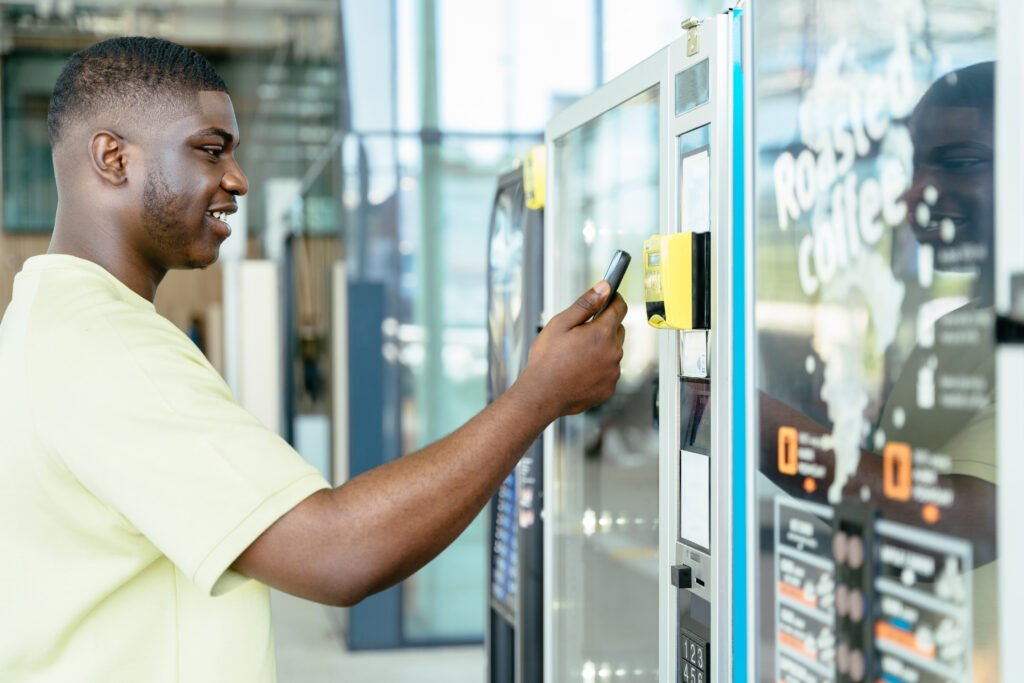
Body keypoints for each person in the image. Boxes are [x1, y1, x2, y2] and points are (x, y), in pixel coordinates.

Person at [0, 37, 627, 682]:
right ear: (112, 158)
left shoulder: (44, 318)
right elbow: (338, 551)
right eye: (211, 150)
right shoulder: (107, 348)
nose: (238, 180)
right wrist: (539, 395)